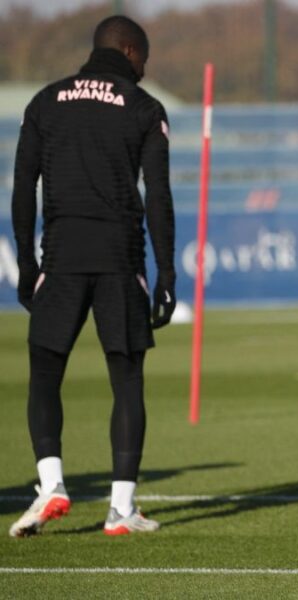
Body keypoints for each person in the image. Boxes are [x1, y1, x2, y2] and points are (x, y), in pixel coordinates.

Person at [9, 15, 175, 538]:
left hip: (59, 257)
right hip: (120, 260)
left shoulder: (43, 103)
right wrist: (166, 272)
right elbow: (159, 197)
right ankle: (120, 509)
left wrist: (27, 263)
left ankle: (51, 484)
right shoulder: (145, 108)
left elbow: (20, 190)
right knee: (126, 380)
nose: (144, 71)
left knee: (44, 373)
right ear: (128, 51)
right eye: (143, 59)